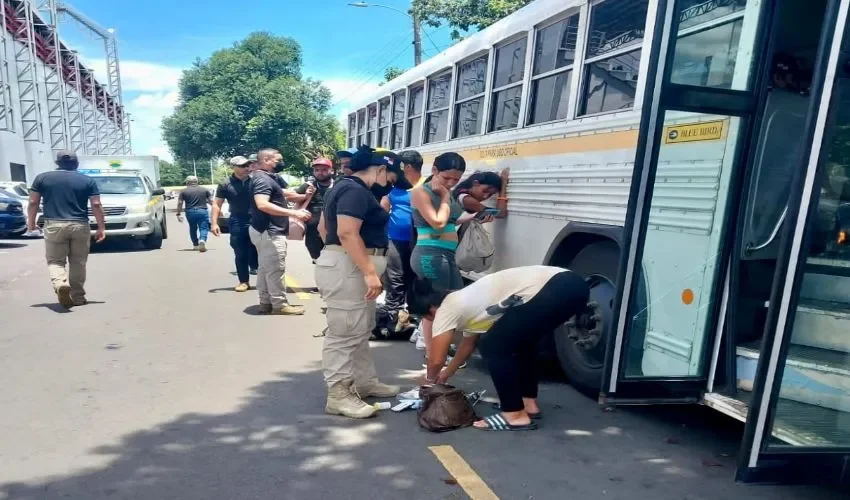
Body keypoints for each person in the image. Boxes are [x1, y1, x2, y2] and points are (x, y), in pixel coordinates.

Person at [408, 266, 590, 431]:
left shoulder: (446, 310)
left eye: (427, 318)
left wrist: (430, 380)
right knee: (523, 343)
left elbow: (436, 359)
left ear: (430, 311)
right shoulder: (463, 303)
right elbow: (467, 346)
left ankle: (514, 415)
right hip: (573, 285)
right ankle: (528, 404)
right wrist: (447, 373)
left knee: (493, 346)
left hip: (555, 287)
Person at [315, 145, 412, 418]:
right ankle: (339, 395)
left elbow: (324, 229)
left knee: (359, 328)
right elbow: (346, 232)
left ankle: (363, 382)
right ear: (380, 169)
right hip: (350, 268)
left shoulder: (343, 187)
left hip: (347, 265)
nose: (389, 183)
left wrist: (341, 256)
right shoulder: (355, 190)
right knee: (344, 333)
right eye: (389, 176)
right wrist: (367, 270)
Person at [26, 150, 106, 308]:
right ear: (76, 163)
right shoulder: (87, 180)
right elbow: (96, 204)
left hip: (54, 224)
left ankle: (61, 283)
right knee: (78, 262)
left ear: (57, 163)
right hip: (80, 225)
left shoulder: (42, 178)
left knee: (55, 261)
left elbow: (33, 202)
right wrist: (101, 227)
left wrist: (31, 223)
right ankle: (77, 297)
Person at [409, 152, 468, 358]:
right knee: (435, 307)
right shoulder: (420, 193)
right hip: (430, 255)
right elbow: (438, 222)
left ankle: (438, 350)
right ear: (434, 171)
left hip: (446, 255)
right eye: (447, 178)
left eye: (456, 179)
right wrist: (444, 196)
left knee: (453, 302)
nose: (451, 183)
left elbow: (450, 219)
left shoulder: (446, 192)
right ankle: (432, 354)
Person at [249, 149, 312, 315]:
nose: (281, 162)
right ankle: (279, 304)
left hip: (263, 231)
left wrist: (303, 196)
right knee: (276, 269)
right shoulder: (262, 179)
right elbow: (262, 204)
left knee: (265, 269)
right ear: (267, 159)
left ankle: (265, 302)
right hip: (270, 232)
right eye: (279, 159)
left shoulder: (265, 178)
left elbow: (284, 194)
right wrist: (294, 213)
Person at [379, 150, 424, 332]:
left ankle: (415, 315)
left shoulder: (426, 185)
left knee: (415, 277)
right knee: (395, 278)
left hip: (419, 240)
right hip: (395, 239)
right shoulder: (393, 186)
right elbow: (383, 208)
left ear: (408, 167)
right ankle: (394, 315)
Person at [211, 156, 259, 292]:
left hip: (257, 220)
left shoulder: (256, 180)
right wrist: (214, 223)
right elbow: (217, 204)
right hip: (238, 221)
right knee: (240, 252)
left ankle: (260, 274)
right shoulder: (225, 184)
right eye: (243, 166)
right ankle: (244, 281)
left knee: (258, 251)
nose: (246, 168)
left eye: (248, 165)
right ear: (233, 167)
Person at [294, 158, 334, 261]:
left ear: (331, 170)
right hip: (313, 234)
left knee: (334, 261)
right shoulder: (308, 186)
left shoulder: (338, 185)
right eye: (317, 170)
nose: (320, 173)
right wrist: (305, 196)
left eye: (324, 170)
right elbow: (291, 197)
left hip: (334, 232)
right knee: (318, 260)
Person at [176, 176, 212, 252]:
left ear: (187, 182)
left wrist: (178, 214)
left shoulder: (183, 191)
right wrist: (217, 209)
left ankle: (195, 245)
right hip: (202, 211)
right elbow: (211, 201)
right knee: (204, 227)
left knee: (192, 228)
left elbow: (180, 203)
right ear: (197, 181)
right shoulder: (204, 190)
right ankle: (202, 239)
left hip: (190, 211)